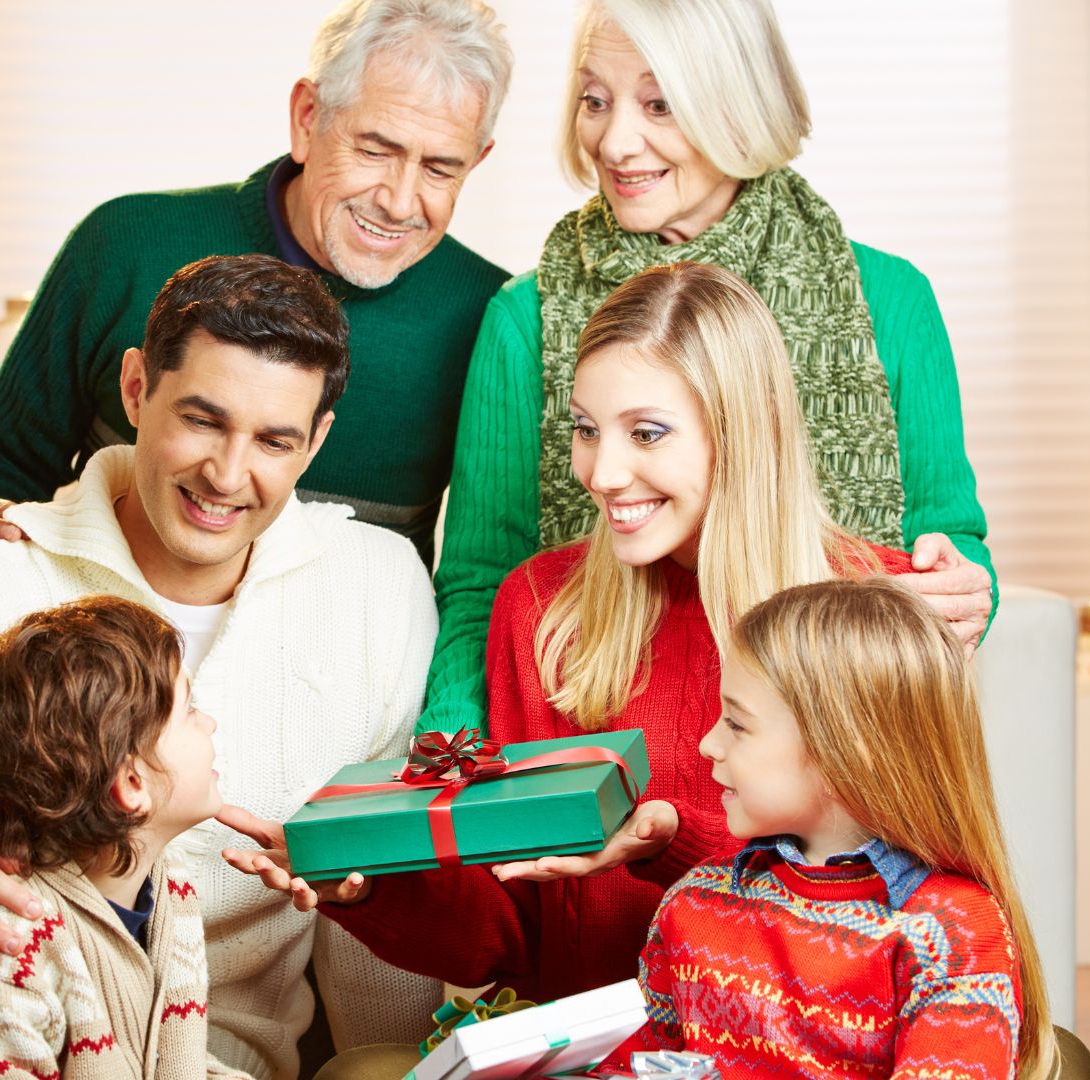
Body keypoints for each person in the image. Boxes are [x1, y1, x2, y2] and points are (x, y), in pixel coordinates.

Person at [0, 255, 441, 1080]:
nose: (228, 476)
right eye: (201, 420)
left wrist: (405, 1062)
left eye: (274, 440)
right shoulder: (1, 564)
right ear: (135, 391)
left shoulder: (377, 584)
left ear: (319, 439)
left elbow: (375, 901)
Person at [223, 263, 933, 1008]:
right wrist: (367, 885)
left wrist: (669, 840)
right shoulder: (539, 608)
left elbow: (906, 913)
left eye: (647, 433)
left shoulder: (873, 610)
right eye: (586, 430)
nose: (602, 472)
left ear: (743, 428)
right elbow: (512, 934)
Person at [422, 0, 995, 738]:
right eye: (594, 101)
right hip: (601, 725)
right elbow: (481, 581)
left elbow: (948, 537)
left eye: (660, 103)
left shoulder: (887, 300)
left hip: (833, 733)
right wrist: (455, 762)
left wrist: (963, 588)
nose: (615, 141)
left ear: (739, 106)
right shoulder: (525, 318)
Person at [0, 0, 513, 566]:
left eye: (440, 168)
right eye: (373, 149)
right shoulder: (126, 244)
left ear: (479, 160)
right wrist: (12, 588)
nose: (397, 201)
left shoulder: (493, 318)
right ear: (309, 117)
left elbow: (482, 571)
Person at [591, 576, 1055, 1079]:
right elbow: (628, 1066)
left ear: (847, 750)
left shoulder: (954, 934)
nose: (708, 744)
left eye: (737, 724)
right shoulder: (693, 903)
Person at [0, 597, 252, 1080]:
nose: (210, 722)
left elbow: (175, 1063)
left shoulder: (166, 883)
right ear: (132, 783)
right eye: (189, 709)